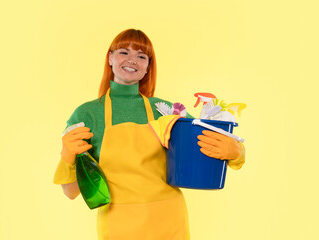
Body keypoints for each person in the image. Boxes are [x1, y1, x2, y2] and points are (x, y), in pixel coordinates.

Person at [53, 29, 245, 240]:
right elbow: (71, 192)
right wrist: (67, 157)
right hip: (119, 225)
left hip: (169, 220)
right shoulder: (87, 115)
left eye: (141, 56)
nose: (132, 60)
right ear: (110, 57)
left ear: (147, 67)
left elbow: (204, 149)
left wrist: (236, 152)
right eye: (124, 52)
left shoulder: (166, 110)